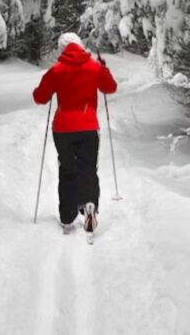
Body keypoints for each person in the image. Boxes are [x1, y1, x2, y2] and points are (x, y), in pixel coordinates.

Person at [32, 33, 117, 234]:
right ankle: (89, 204)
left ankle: (67, 216)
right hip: (88, 127)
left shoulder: (56, 70)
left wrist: (42, 89)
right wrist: (104, 68)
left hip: (63, 130)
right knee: (88, 168)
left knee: (68, 169)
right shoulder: (93, 67)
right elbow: (110, 87)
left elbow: (40, 97)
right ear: (80, 46)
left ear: (62, 49)